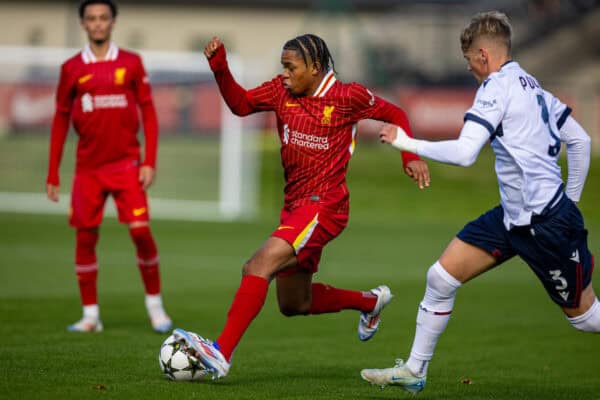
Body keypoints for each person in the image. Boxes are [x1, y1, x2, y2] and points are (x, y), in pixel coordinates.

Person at [360, 11, 596, 394]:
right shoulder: (533, 86)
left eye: (469, 60)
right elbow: (581, 141)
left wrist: (406, 142)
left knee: (585, 319)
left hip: (546, 226)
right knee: (440, 277)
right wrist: (572, 201)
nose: (469, 69)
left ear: (483, 56)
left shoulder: (495, 88)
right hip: (514, 218)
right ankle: (415, 370)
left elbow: (466, 153)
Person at [173, 34, 430, 379]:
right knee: (294, 304)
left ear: (315, 67)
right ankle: (369, 302)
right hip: (295, 207)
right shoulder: (282, 93)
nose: (283, 74)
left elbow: (394, 112)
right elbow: (240, 104)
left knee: (257, 265)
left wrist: (409, 155)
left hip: (325, 205)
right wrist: (219, 66)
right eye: (282, 67)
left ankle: (221, 352)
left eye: (290, 67)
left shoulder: (346, 96)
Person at [46, 0, 171, 333]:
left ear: (113, 22)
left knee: (141, 231)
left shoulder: (131, 63)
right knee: (85, 239)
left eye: (103, 18)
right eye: (91, 18)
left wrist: (149, 161)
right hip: (88, 170)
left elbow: (150, 112)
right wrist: (53, 172)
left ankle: (155, 308)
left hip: (127, 166)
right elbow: (60, 118)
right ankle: (90, 316)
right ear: (83, 24)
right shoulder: (71, 68)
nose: (98, 23)